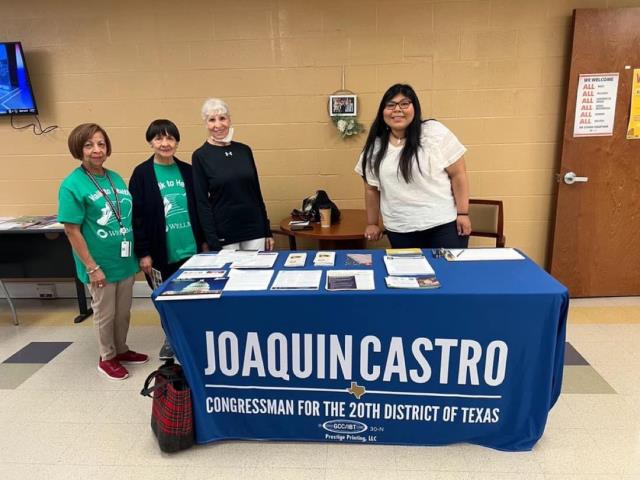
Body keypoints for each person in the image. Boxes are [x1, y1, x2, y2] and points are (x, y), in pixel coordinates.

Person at [58, 123, 148, 381]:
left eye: (101, 144)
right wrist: (92, 267)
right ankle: (107, 357)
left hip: (124, 260)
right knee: (105, 314)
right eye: (89, 145)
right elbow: (72, 231)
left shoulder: (114, 177)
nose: (97, 150)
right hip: (100, 264)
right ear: (78, 149)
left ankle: (121, 349)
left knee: (123, 312)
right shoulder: (72, 185)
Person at [355, 83, 471, 249]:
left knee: (449, 274)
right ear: (383, 112)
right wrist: (372, 223)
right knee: (408, 274)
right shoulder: (376, 147)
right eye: (390, 105)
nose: (397, 109)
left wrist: (463, 213)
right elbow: (371, 189)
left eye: (404, 104)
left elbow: (458, 174)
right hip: (400, 229)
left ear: (414, 108)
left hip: (443, 225)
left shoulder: (434, 132)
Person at [129, 119, 206, 360]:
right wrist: (143, 253)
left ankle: (196, 337)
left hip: (192, 250)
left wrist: (204, 242)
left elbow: (201, 209)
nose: (165, 143)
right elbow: (137, 218)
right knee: (166, 299)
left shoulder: (188, 171)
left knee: (194, 297)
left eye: (170, 138)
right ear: (150, 142)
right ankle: (171, 339)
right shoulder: (141, 174)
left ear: (177, 141)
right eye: (159, 138)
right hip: (161, 253)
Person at [192, 98, 274, 251]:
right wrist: (210, 239)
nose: (218, 125)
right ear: (206, 124)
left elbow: (256, 193)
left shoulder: (244, 151)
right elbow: (202, 203)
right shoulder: (200, 156)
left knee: (257, 273)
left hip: (254, 228)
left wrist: (266, 230)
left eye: (222, 118)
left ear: (229, 120)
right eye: (212, 120)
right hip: (224, 231)